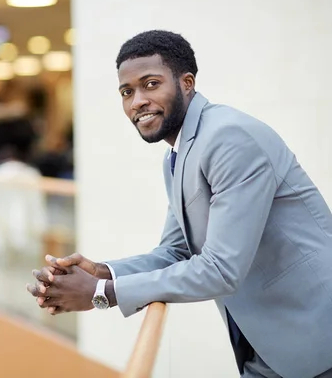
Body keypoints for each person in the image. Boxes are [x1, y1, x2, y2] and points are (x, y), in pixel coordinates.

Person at [26, 30, 332, 378]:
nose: (137, 100)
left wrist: (102, 294)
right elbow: (176, 251)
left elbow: (221, 269)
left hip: (318, 338)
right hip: (270, 347)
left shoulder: (230, 138)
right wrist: (103, 272)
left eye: (151, 84)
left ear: (187, 83)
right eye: (127, 92)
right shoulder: (178, 155)